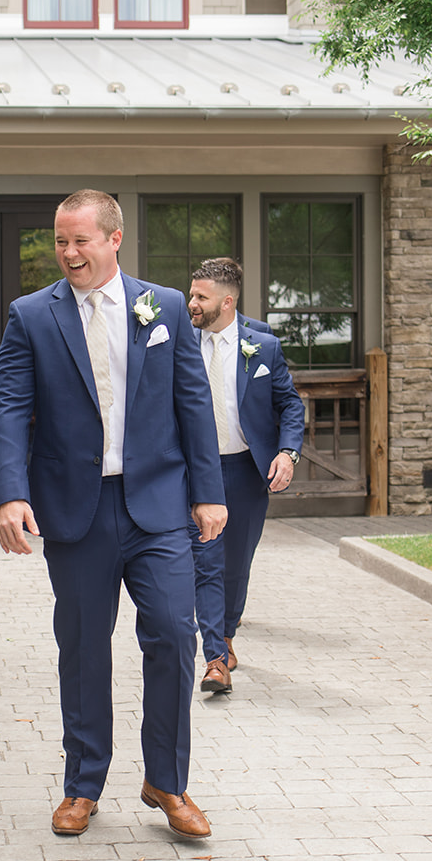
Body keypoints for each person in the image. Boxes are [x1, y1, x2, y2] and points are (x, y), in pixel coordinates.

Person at [0, 188, 226, 840]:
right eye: (60, 241)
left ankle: (167, 781)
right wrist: (11, 491)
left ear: (114, 239)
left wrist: (209, 491)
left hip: (156, 506)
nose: (68, 252)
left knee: (177, 635)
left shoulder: (166, 307)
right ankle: (83, 782)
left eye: (81, 240)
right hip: (77, 511)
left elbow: (192, 399)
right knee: (84, 648)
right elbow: (9, 406)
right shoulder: (31, 315)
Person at [186, 258, 305, 694]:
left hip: (244, 471)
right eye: (192, 294)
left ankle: (227, 633)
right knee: (206, 562)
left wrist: (288, 453)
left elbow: (290, 404)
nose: (192, 303)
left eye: (201, 297)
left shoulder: (263, 345)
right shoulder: (178, 340)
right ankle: (215, 658)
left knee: (236, 565)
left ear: (227, 301)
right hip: (195, 473)